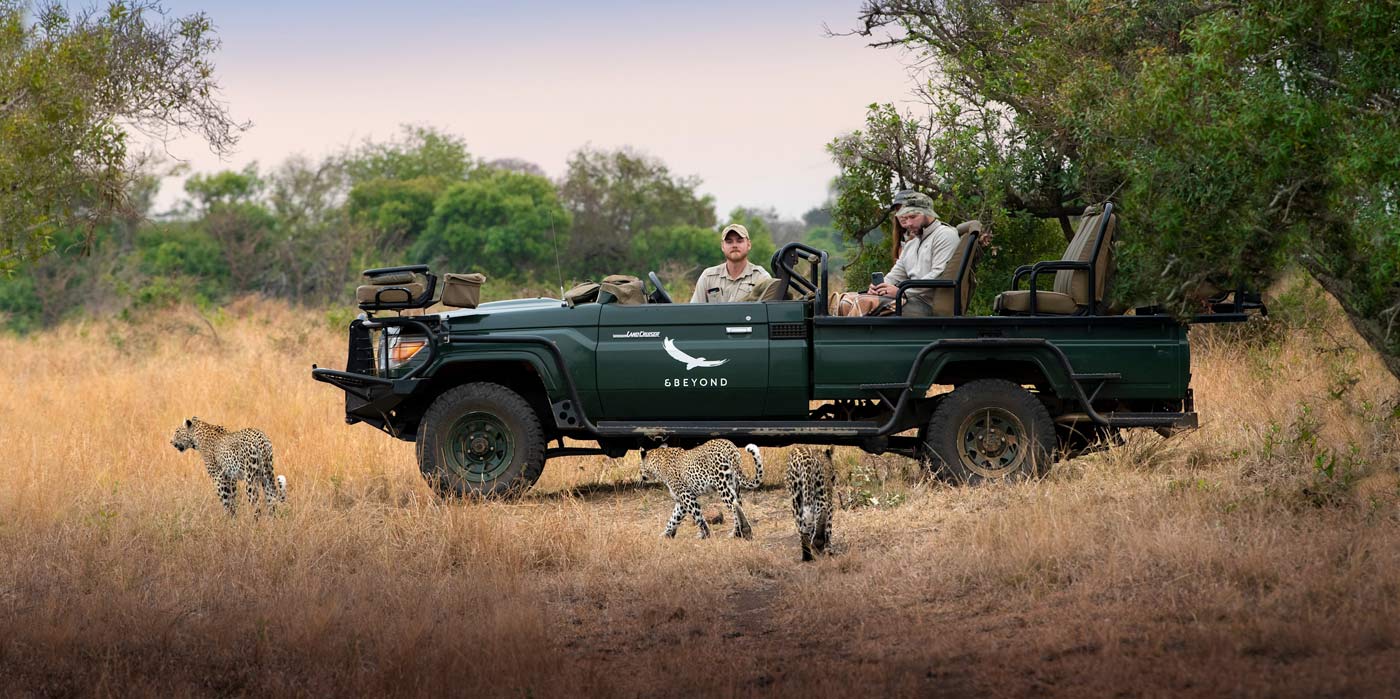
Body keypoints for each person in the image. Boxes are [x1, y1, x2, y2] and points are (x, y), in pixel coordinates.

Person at [866, 192, 960, 317]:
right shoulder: (912, 244)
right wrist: (879, 287)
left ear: (928, 213)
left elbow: (939, 274)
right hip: (911, 299)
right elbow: (896, 274)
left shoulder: (944, 235)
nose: (908, 223)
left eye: (913, 217)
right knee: (855, 300)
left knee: (869, 308)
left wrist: (902, 292)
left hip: (929, 304)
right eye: (905, 218)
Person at [690, 223, 771, 303]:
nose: (734, 245)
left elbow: (770, 312)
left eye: (739, 241)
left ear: (749, 244)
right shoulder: (708, 277)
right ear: (722, 246)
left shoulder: (761, 277)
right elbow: (695, 311)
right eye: (729, 242)